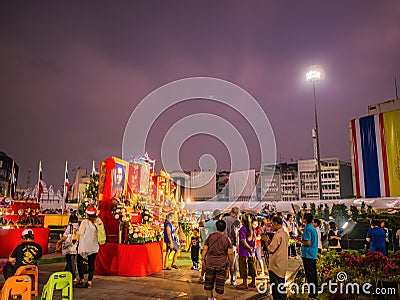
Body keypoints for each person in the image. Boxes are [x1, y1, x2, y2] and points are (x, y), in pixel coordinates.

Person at [201, 219, 234, 300]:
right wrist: (232, 264)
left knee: (208, 283)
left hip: (210, 263)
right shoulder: (226, 239)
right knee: (220, 284)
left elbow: (205, 249)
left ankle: (210, 298)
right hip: (222, 265)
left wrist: (202, 259)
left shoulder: (210, 237)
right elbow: (230, 253)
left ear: (216, 227)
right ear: (225, 228)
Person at [75, 205, 103, 288]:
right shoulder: (98, 221)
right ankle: (89, 282)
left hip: (84, 247)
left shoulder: (85, 222)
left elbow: (80, 232)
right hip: (94, 247)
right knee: (91, 263)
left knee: (79, 260)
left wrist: (75, 234)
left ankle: (82, 279)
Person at [262, 216, 289, 300]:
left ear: (276, 224)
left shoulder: (278, 236)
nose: (272, 226)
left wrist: (266, 241)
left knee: (276, 287)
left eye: (272, 224)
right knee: (281, 285)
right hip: (282, 263)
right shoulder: (284, 234)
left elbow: (270, 249)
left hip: (276, 265)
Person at [295, 213, 318, 299]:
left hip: (308, 254)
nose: (301, 218)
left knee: (310, 275)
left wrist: (299, 240)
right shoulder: (311, 227)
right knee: (313, 274)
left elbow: (308, 243)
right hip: (312, 254)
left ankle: (312, 294)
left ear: (305, 219)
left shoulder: (308, 228)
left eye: (302, 217)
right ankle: (314, 293)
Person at [56, 213, 79, 282]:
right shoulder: (79, 226)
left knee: (70, 261)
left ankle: (73, 276)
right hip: (75, 245)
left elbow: (65, 236)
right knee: (71, 261)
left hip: (69, 246)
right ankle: (67, 273)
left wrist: (59, 242)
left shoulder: (70, 226)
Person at [236, 214, 257, 289]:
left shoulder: (243, 229)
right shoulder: (252, 228)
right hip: (252, 252)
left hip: (244, 251)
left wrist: (249, 247)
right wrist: (252, 248)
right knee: (252, 267)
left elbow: (243, 241)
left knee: (244, 267)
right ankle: (253, 282)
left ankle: (245, 283)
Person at [222, 206, 240, 285]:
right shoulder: (237, 221)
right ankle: (233, 279)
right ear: (237, 213)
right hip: (232, 243)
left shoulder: (224, 219)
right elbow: (237, 234)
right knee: (233, 261)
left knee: (225, 261)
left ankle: (225, 277)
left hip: (224, 242)